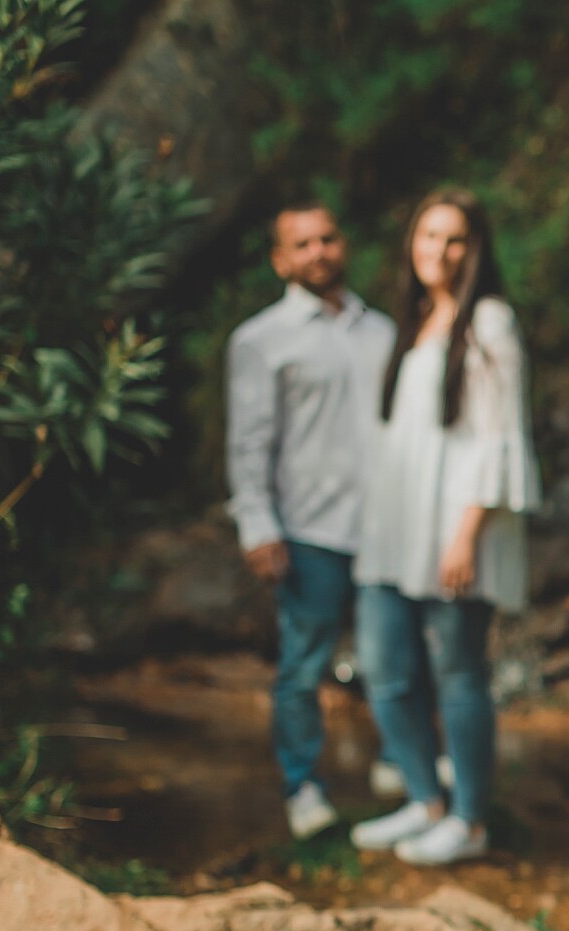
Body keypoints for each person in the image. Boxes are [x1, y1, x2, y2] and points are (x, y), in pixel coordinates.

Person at [349, 188, 541, 867]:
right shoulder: (416, 319)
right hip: (396, 531)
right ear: (412, 243)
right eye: (429, 235)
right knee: (384, 668)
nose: (440, 250)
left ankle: (469, 819)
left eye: (455, 238)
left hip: (455, 529)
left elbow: (502, 437)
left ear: (476, 248)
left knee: (458, 674)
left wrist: (465, 533)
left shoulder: (490, 321)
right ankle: (424, 799)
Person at [226, 201, 398, 839]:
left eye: (328, 238)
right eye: (302, 244)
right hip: (308, 530)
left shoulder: (382, 331)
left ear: (344, 245)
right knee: (303, 665)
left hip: (385, 527)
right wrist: (256, 524)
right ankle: (304, 789)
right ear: (281, 260)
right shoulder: (260, 340)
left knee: (394, 655)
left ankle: (399, 769)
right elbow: (248, 443)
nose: (318, 252)